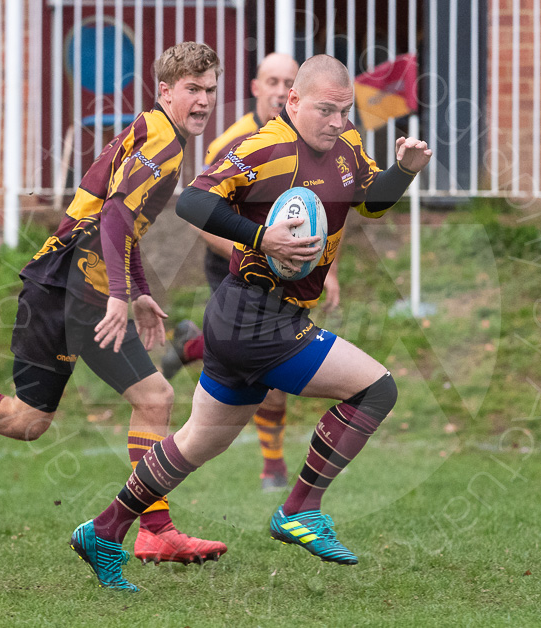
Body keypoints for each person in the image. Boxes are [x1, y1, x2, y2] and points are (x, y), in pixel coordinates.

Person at [68, 54, 432, 591]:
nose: (336, 121)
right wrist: (261, 238)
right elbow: (192, 202)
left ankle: (104, 529)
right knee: (376, 389)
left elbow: (371, 203)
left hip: (250, 318)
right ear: (293, 102)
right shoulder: (264, 147)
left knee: (196, 443)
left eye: (344, 110)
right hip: (256, 318)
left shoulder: (348, 143)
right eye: (326, 110)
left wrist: (403, 170)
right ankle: (300, 510)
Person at [0, 42, 228, 566]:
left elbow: (121, 222)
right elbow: (117, 221)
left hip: (56, 280)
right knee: (154, 398)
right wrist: (122, 296)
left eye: (211, 90)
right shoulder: (163, 143)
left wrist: (140, 290)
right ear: (165, 91)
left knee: (28, 420)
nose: (203, 101)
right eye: (192, 90)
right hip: (80, 283)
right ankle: (155, 530)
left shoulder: (154, 131)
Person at [160, 52, 342, 493]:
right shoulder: (235, 142)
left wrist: (324, 267)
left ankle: (192, 343)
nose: (279, 90)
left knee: (258, 365)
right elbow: (199, 216)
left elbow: (326, 208)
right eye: (271, 81)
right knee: (267, 370)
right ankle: (273, 467)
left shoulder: (313, 141)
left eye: (287, 82)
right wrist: (257, 252)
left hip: (288, 266)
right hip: (233, 264)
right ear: (256, 88)